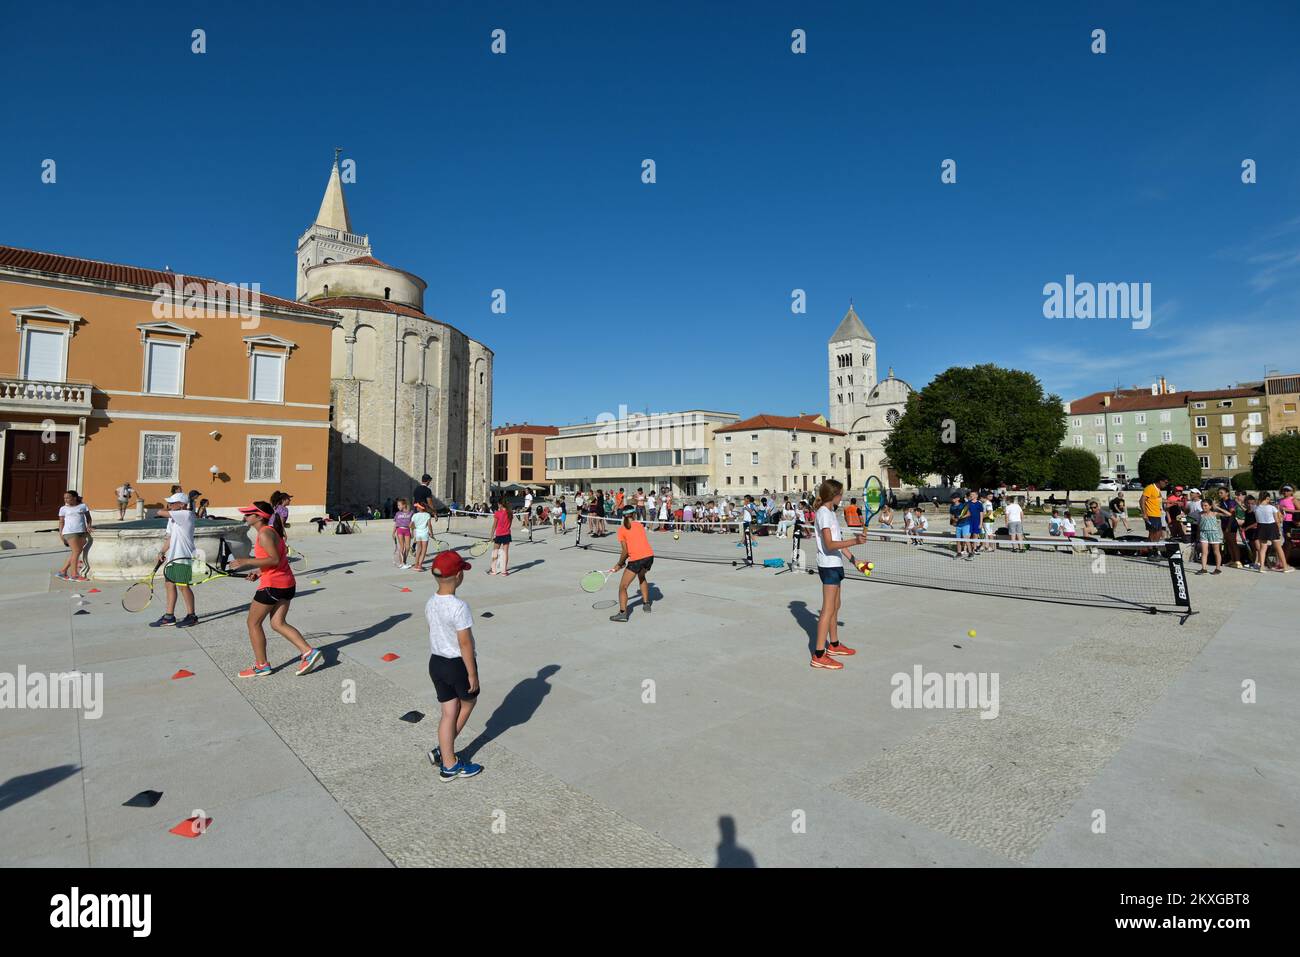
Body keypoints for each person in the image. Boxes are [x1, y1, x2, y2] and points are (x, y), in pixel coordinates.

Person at [227, 502, 323, 678]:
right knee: (277, 623)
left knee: (253, 623)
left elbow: (274, 560)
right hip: (286, 584)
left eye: (249, 514)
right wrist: (258, 572)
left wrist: (245, 561)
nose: (245, 517)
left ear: (259, 516)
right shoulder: (271, 531)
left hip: (273, 586)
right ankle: (308, 652)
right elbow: (275, 561)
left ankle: (262, 665)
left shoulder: (264, 534)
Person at [424, 550, 484, 782]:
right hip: (456, 664)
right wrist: (472, 673)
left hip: (436, 662)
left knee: (448, 713)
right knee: (469, 703)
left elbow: (432, 631)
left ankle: (445, 751)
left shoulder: (430, 602)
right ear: (459, 576)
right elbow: (465, 643)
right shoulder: (459, 606)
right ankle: (448, 762)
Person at [810, 479, 864, 670]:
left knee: (836, 606)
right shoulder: (823, 514)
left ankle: (833, 645)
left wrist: (854, 560)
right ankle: (818, 654)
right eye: (841, 494)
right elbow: (830, 545)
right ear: (834, 495)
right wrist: (855, 541)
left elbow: (838, 542)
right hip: (828, 566)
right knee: (827, 609)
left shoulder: (831, 513)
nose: (842, 497)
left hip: (836, 564)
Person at [149, 491, 199, 628]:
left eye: (172, 503)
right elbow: (170, 537)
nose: (169, 505)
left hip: (183, 556)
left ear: (182, 504)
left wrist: (167, 509)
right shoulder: (173, 518)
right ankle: (169, 616)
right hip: (173, 557)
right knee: (169, 585)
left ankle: (192, 616)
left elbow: (160, 512)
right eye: (169, 503)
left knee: (183, 586)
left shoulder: (186, 514)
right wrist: (162, 551)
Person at [607, 505, 655, 622]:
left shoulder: (622, 529)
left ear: (623, 515)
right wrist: (623, 562)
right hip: (649, 557)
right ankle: (646, 603)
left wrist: (619, 563)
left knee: (623, 587)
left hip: (637, 559)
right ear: (634, 514)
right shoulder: (639, 525)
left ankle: (623, 613)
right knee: (642, 576)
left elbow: (625, 551)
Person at [56, 490, 92, 582]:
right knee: (76, 551)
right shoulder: (63, 509)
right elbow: (61, 522)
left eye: (68, 497)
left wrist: (89, 526)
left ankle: (62, 571)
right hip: (69, 532)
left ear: (74, 498)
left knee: (76, 552)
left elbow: (88, 518)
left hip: (81, 531)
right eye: (65, 498)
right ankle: (74, 575)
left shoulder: (83, 506)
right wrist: (61, 534)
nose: (66, 499)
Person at [1252, 492, 1292, 573]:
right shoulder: (1272, 507)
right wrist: (1279, 528)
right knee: (1278, 547)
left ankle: (1262, 567)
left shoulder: (1255, 507)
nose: (1270, 500)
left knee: (1263, 548)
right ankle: (1285, 567)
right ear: (1267, 498)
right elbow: (1278, 520)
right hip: (1271, 527)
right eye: (1269, 498)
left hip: (1261, 527)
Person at [1197, 493, 1228, 574]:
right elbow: (1198, 524)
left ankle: (1218, 568)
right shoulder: (1200, 514)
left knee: (1216, 552)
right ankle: (1204, 568)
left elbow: (1229, 514)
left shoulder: (1214, 513)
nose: (1203, 507)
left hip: (1213, 534)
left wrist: (1217, 507)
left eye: (1205, 505)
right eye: (1202, 505)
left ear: (1210, 506)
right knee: (1204, 552)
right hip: (1203, 533)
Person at [1141, 475, 1170, 558]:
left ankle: (1154, 549)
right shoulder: (1150, 488)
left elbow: (1161, 500)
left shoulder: (1158, 490)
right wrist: (1144, 514)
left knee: (1159, 533)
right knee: (1152, 534)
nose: (1166, 484)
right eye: (1166, 482)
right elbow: (1142, 500)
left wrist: (1175, 502)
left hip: (1157, 515)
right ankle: (1151, 552)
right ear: (1160, 481)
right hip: (1150, 514)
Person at [489, 499, 511, 576]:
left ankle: (493, 570)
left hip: (499, 535)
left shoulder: (497, 513)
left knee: (495, 552)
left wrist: (491, 536)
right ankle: (504, 571)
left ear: (500, 504)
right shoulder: (510, 513)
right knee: (505, 553)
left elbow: (494, 525)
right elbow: (510, 524)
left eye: (498, 504)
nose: (498, 505)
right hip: (507, 534)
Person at [410, 502, 433, 572]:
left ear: (420, 508)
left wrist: (413, 531)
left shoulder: (414, 515)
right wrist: (431, 533)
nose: (416, 508)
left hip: (418, 534)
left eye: (417, 507)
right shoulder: (427, 515)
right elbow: (429, 525)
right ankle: (420, 565)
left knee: (418, 549)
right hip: (424, 534)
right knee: (424, 550)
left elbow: (410, 525)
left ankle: (416, 564)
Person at [393, 498, 413, 568]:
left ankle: (404, 561)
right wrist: (393, 533)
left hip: (407, 530)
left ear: (404, 505)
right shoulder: (398, 513)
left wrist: (412, 531)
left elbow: (412, 523)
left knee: (407, 547)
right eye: (397, 505)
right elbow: (396, 524)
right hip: (400, 530)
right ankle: (401, 563)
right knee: (402, 547)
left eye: (399, 505)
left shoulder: (411, 512)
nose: (398, 507)